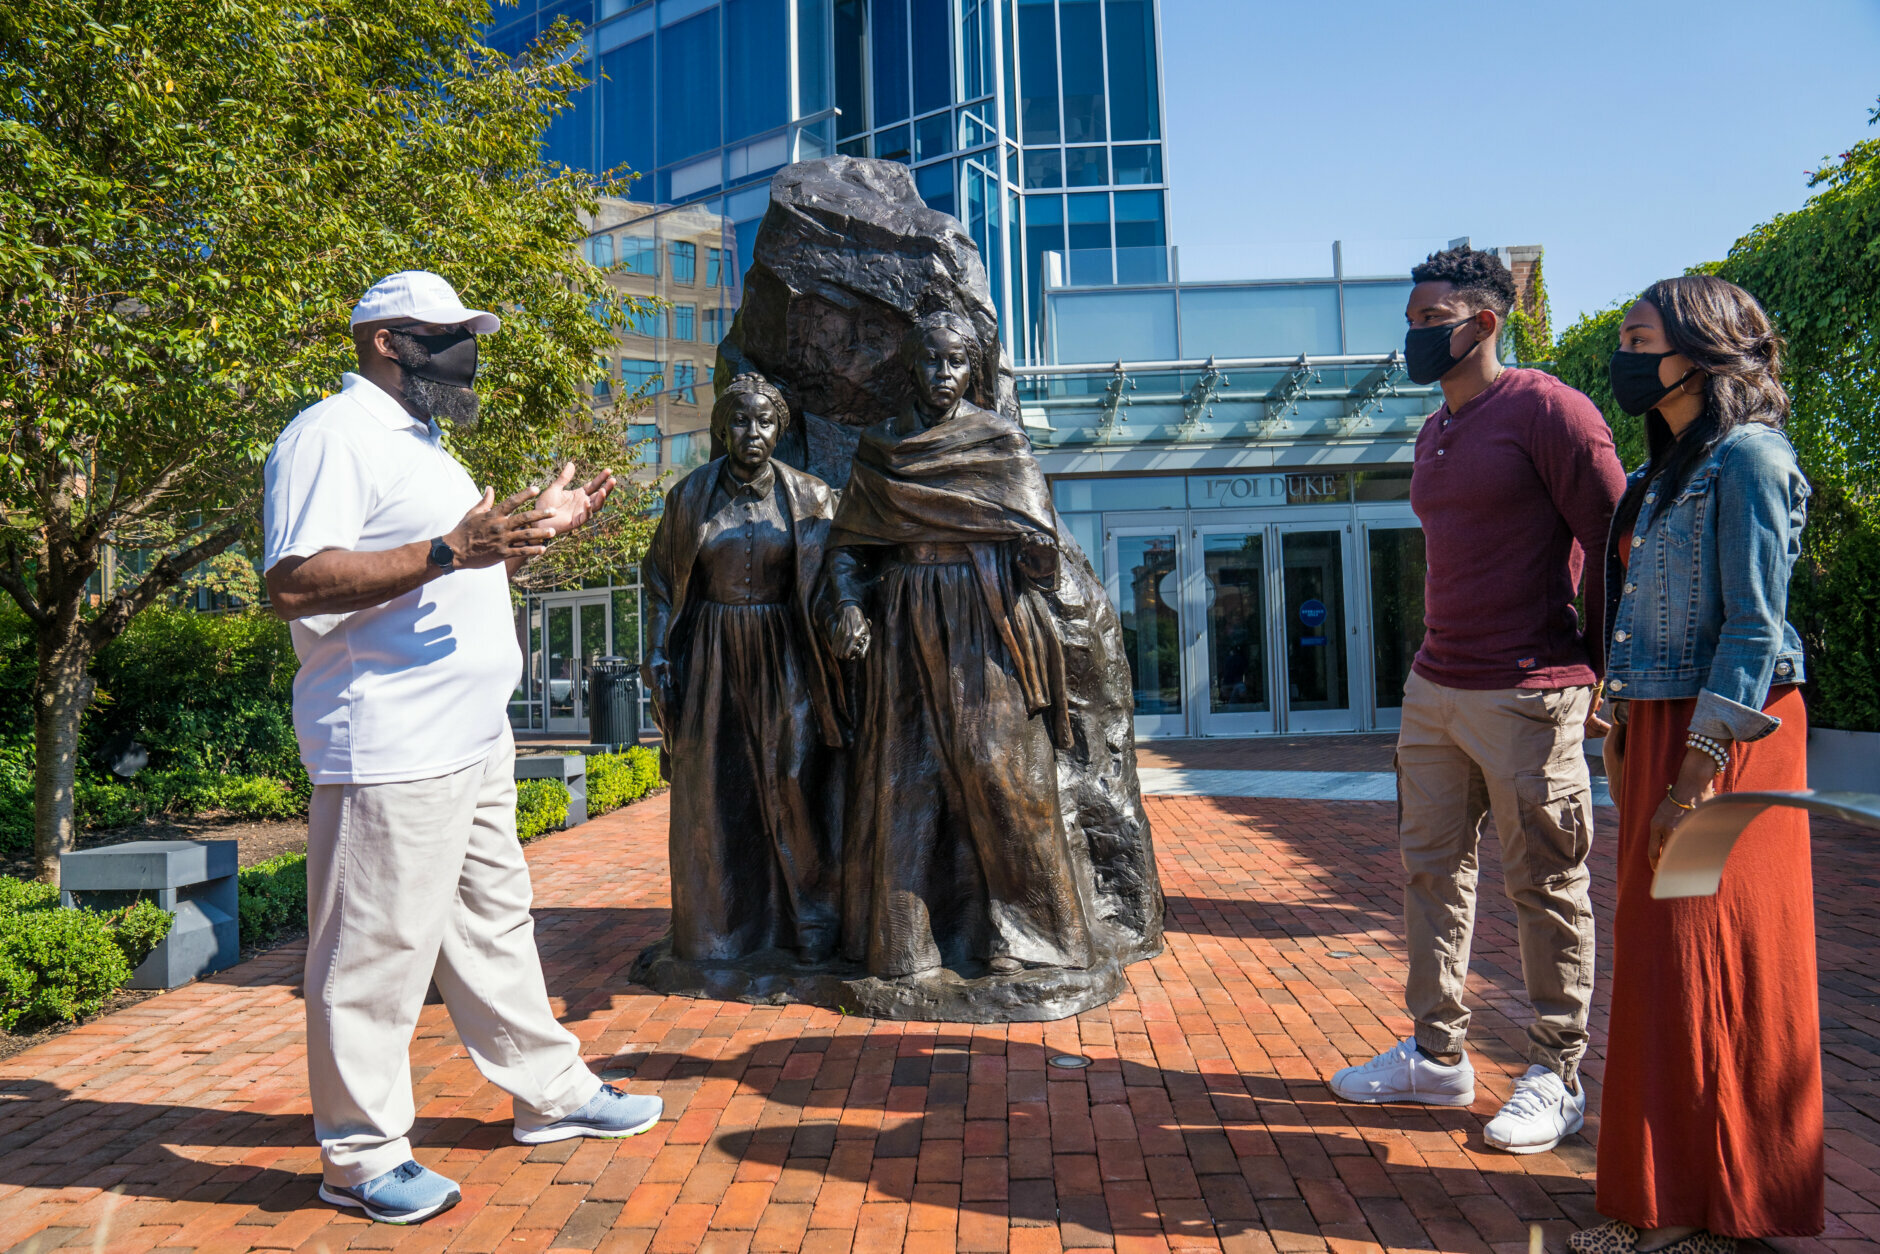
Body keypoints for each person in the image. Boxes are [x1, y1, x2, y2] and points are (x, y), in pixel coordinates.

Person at [263, 270, 662, 1226]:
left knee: (493, 926)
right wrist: (450, 549)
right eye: (446, 336)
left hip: (471, 737)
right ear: (386, 341)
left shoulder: (424, 447)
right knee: (373, 953)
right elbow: (294, 582)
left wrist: (517, 540)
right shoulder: (331, 435)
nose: (467, 353)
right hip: (391, 743)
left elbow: (447, 567)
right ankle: (360, 1155)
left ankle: (550, 1094)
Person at [1329, 246, 1626, 1156]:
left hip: (1529, 690)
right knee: (1430, 872)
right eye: (1411, 322)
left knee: (1545, 883)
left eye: (1431, 321)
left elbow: (1616, 542)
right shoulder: (1435, 429)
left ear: (1484, 322)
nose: (1415, 337)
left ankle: (1555, 1072)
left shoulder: (1549, 410)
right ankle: (1436, 1055)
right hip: (1436, 687)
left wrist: (1601, 674)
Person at [1571, 277, 1818, 1254]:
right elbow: (1643, 615)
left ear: (1702, 351)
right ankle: (1663, 1198)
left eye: (1640, 340)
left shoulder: (1750, 458)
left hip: (1730, 737)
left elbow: (1754, 628)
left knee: (1708, 956)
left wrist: (1694, 773)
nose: (1624, 358)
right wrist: (1623, 711)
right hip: (1662, 728)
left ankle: (1715, 1209)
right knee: (1659, 962)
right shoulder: (1660, 473)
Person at [826, 311, 1091, 978]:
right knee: (903, 776)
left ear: (973, 370)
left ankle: (1034, 938)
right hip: (904, 621)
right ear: (910, 367)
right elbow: (847, 550)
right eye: (930, 360)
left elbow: (1041, 553)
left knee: (1002, 771)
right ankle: (904, 944)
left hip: (983, 616)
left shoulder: (1000, 442)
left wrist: (1033, 553)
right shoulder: (882, 446)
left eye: (956, 362)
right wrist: (849, 605)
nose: (942, 374)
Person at [641, 374, 846, 965]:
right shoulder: (690, 495)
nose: (751, 432)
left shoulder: (811, 496)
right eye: (738, 420)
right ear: (721, 428)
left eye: (763, 421)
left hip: (787, 654)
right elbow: (661, 583)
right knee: (715, 789)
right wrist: (658, 650)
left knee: (795, 779)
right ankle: (720, 931)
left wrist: (844, 620)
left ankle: (813, 923)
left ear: (779, 430)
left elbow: (834, 578)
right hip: (713, 655)